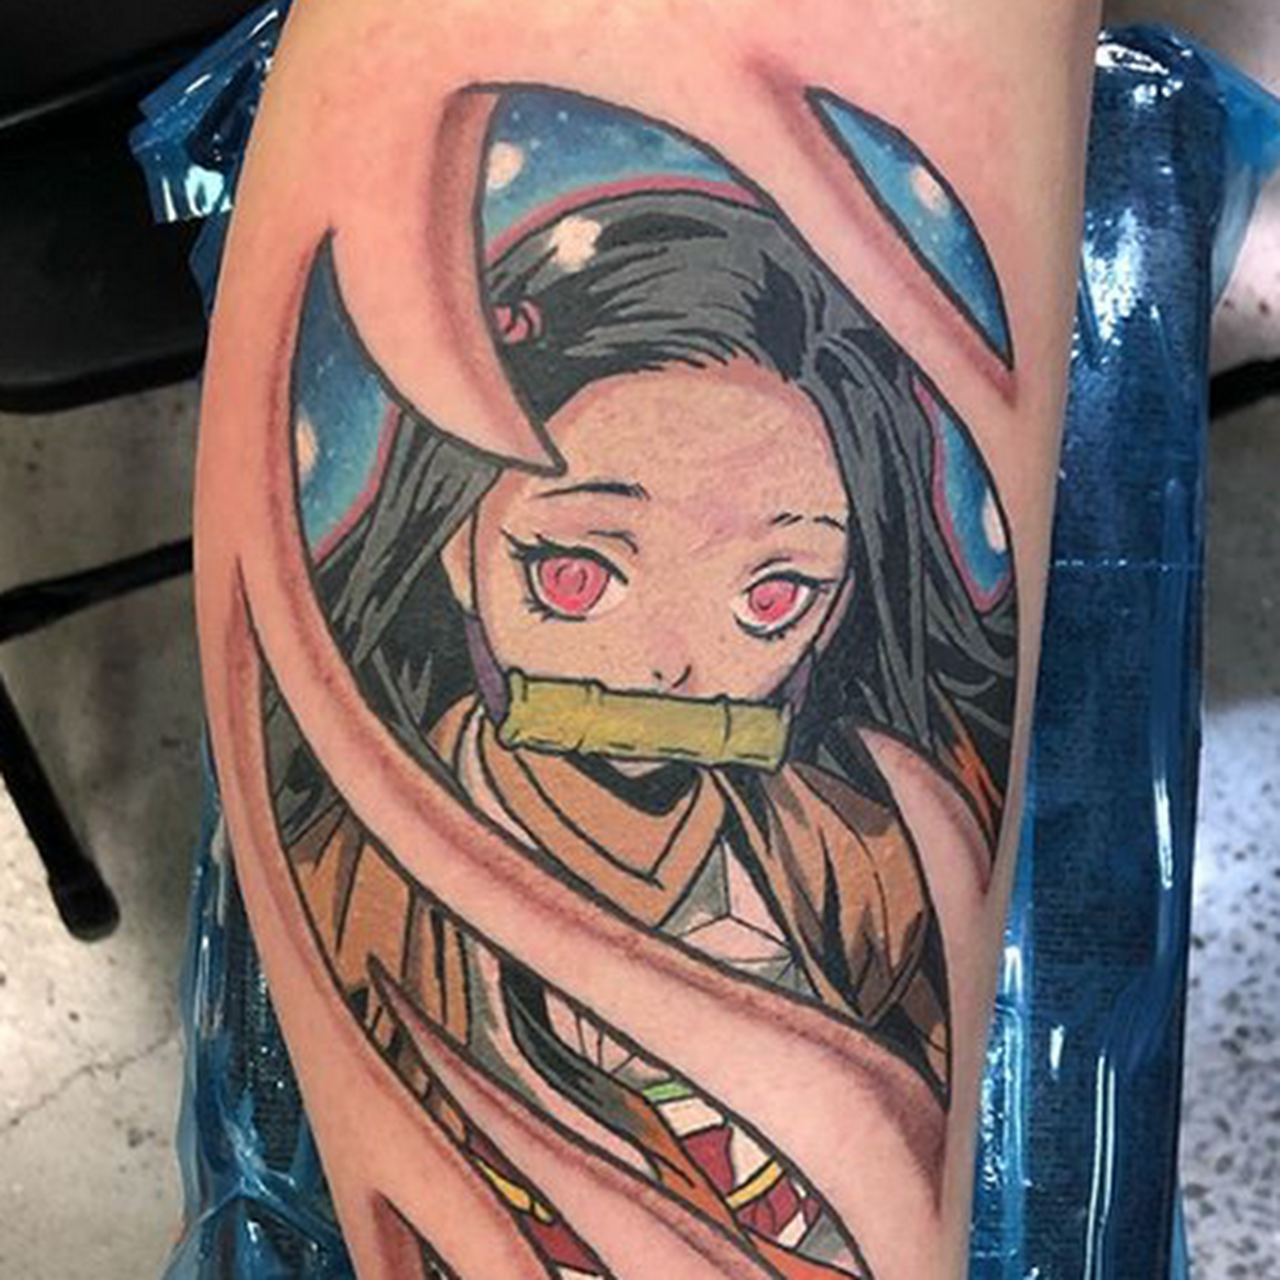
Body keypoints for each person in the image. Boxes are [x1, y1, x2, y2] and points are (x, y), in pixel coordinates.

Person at [198, 4, 1102, 1276]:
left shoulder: (855, 862)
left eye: (774, 595)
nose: (672, 665)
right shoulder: (364, 876)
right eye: (575, 572)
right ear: (456, 545)